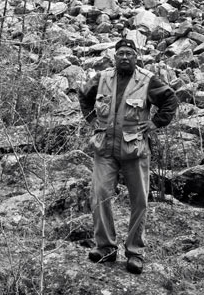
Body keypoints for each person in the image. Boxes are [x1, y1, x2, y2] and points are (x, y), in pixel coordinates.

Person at [78, 37, 179, 275]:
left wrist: (154, 123)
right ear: (115, 57)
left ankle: (135, 252)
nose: (125, 57)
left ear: (136, 57)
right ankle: (105, 248)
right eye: (121, 53)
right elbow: (83, 95)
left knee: (139, 200)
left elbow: (170, 99)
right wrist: (92, 119)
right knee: (100, 194)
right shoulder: (102, 78)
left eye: (129, 54)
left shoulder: (147, 80)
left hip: (135, 150)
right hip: (105, 149)